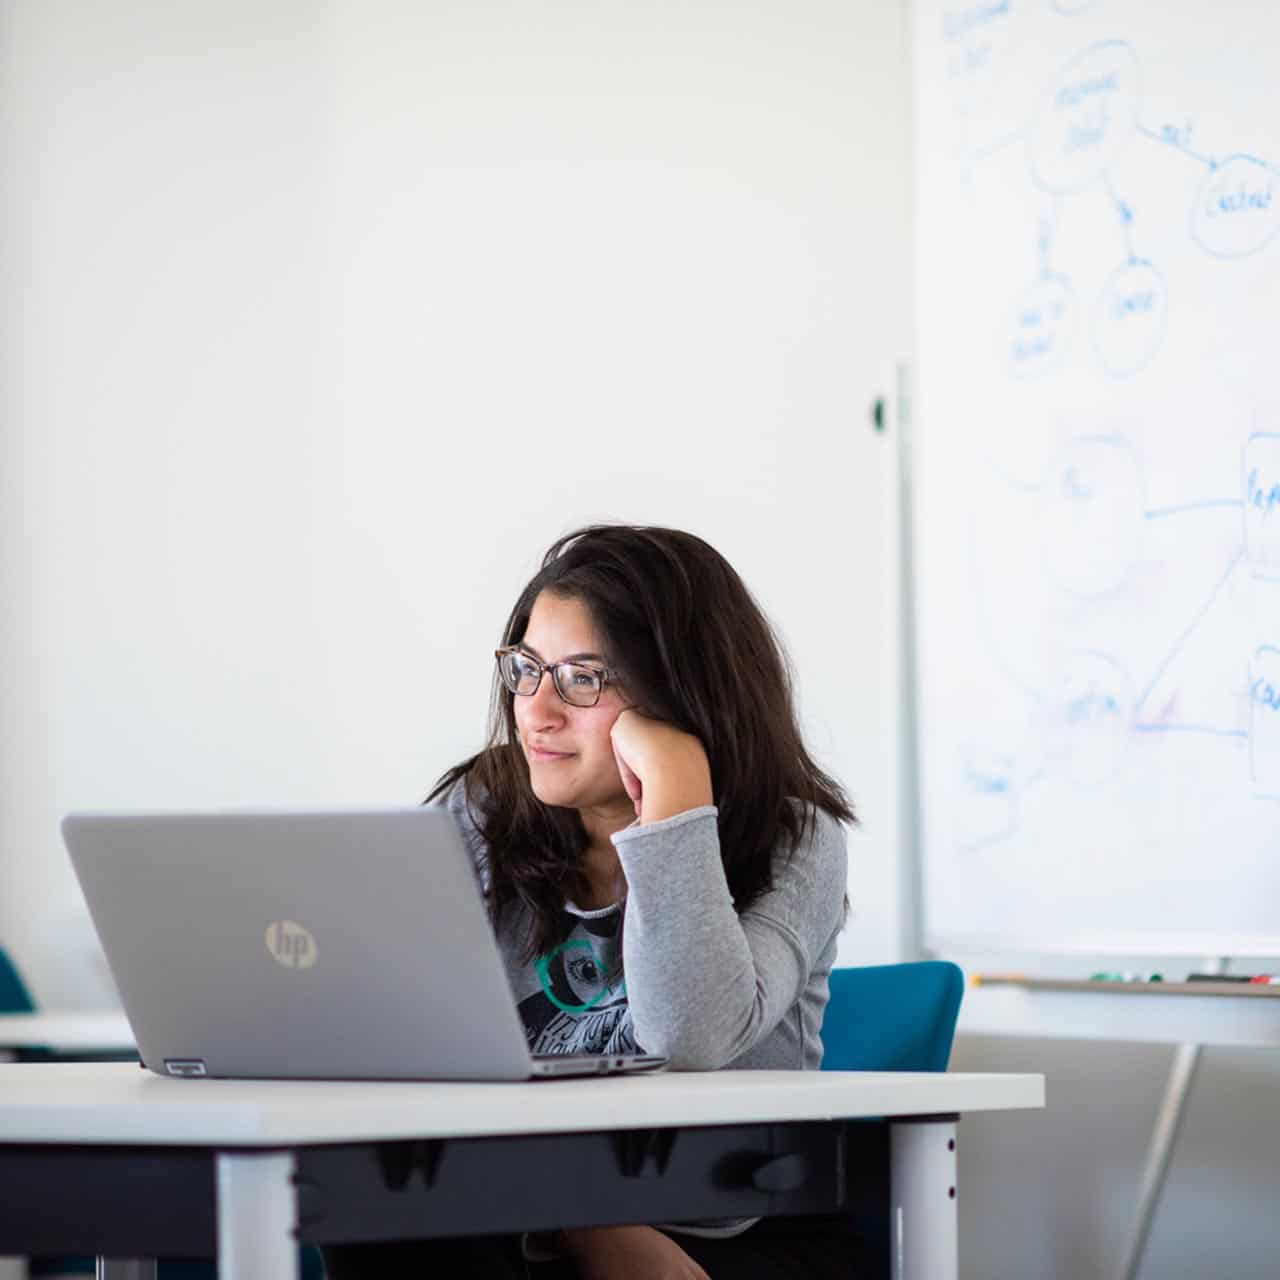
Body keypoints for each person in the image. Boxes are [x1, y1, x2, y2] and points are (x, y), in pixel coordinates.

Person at [322, 524, 860, 1279]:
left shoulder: (793, 835)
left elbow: (691, 1036)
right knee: (372, 1209)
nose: (537, 711)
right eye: (527, 670)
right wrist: (583, 1224)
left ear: (682, 694)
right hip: (523, 1206)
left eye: (582, 679)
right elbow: (410, 1045)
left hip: (727, 1223)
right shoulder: (483, 808)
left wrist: (674, 800)